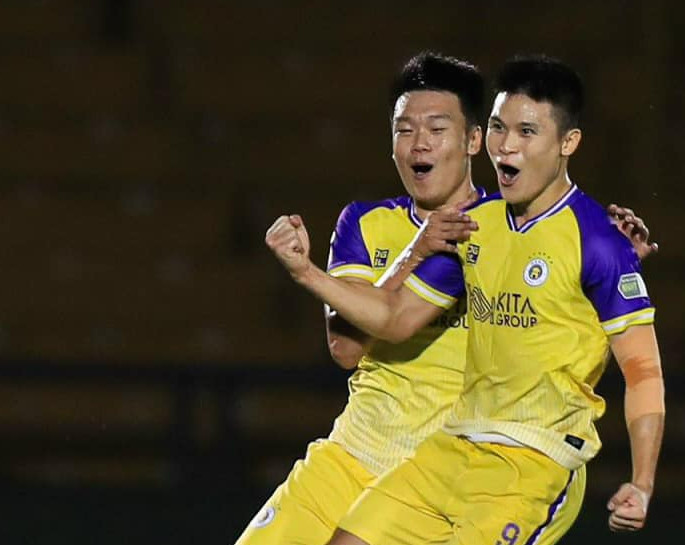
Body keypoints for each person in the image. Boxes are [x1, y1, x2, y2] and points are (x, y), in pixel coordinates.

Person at [242, 52, 657, 545]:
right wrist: (401, 255)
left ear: (471, 141)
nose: (419, 143)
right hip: (377, 451)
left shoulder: (533, 231)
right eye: (404, 130)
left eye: (436, 129)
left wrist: (612, 268)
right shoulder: (391, 224)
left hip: (494, 458)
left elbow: (605, 346)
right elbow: (358, 342)